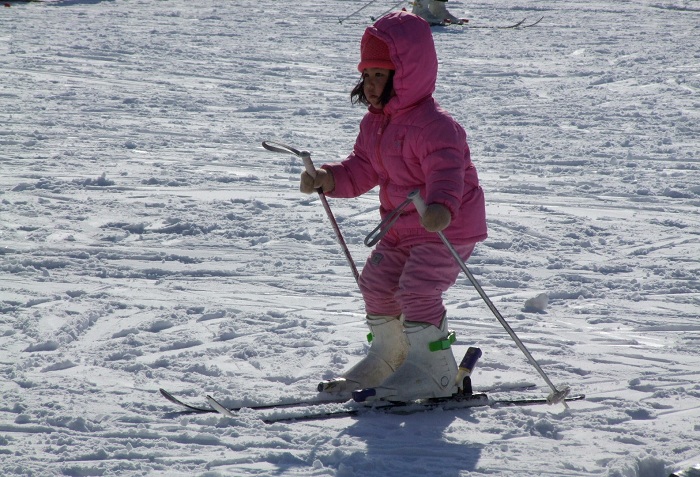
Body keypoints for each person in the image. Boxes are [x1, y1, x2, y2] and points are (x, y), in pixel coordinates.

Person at [300, 11, 487, 402]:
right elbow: (363, 167)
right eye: (366, 75)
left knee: (418, 289)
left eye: (380, 75)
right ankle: (389, 356)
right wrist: (329, 179)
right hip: (401, 227)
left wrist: (440, 207)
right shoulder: (375, 125)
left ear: (406, 74)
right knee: (377, 284)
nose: (369, 85)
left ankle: (434, 373)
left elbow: (447, 172)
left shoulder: (436, 126)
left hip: (445, 226)